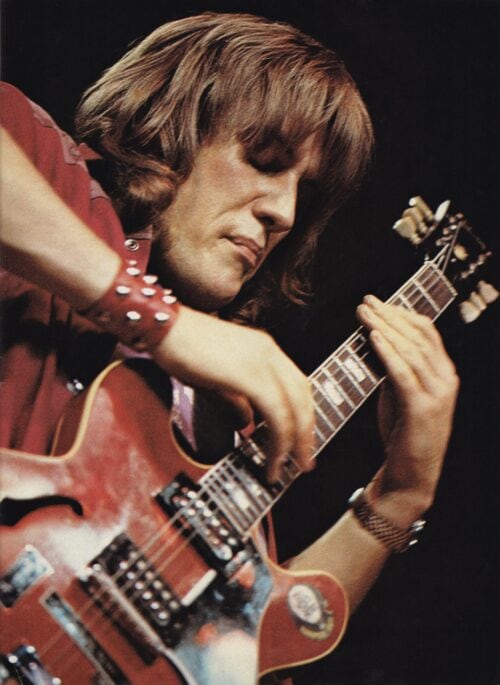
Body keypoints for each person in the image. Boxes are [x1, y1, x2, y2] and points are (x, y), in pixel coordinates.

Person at [0, 11, 459, 680]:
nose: (284, 213)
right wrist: (162, 322)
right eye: (265, 161)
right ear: (173, 125)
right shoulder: (48, 175)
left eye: (305, 193)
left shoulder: (222, 421)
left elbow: (249, 655)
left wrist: (400, 494)